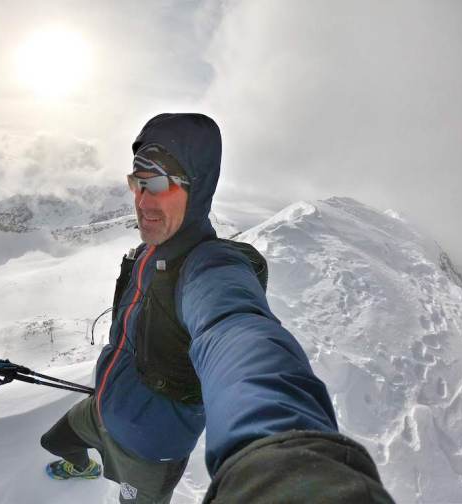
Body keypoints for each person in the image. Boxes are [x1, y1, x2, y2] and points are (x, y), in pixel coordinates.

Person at [41, 113, 395, 503]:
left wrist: (278, 459)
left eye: (158, 183)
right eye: (137, 183)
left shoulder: (208, 267)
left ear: (197, 188)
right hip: (102, 409)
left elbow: (236, 334)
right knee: (55, 440)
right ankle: (82, 465)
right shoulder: (148, 254)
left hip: (150, 448)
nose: (142, 201)